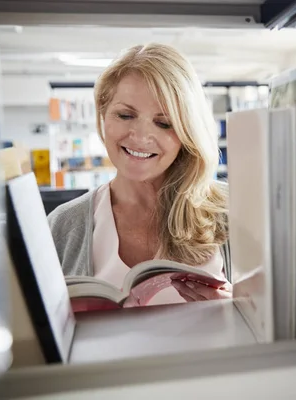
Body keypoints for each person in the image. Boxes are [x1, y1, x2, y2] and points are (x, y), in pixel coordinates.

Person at [48, 43, 231, 306]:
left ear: (187, 130)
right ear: (103, 113)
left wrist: (241, 306)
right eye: (125, 115)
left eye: (164, 123)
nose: (141, 137)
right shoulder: (63, 225)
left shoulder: (230, 211)